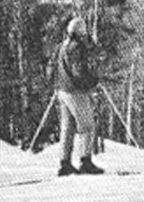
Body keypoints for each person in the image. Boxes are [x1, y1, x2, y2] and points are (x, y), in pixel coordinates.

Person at [54, 17, 104, 176]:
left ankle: (65, 162)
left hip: (62, 90)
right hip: (75, 91)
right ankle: (85, 161)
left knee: (67, 128)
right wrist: (93, 82)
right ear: (81, 32)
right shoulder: (77, 47)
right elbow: (79, 71)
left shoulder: (62, 45)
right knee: (87, 126)